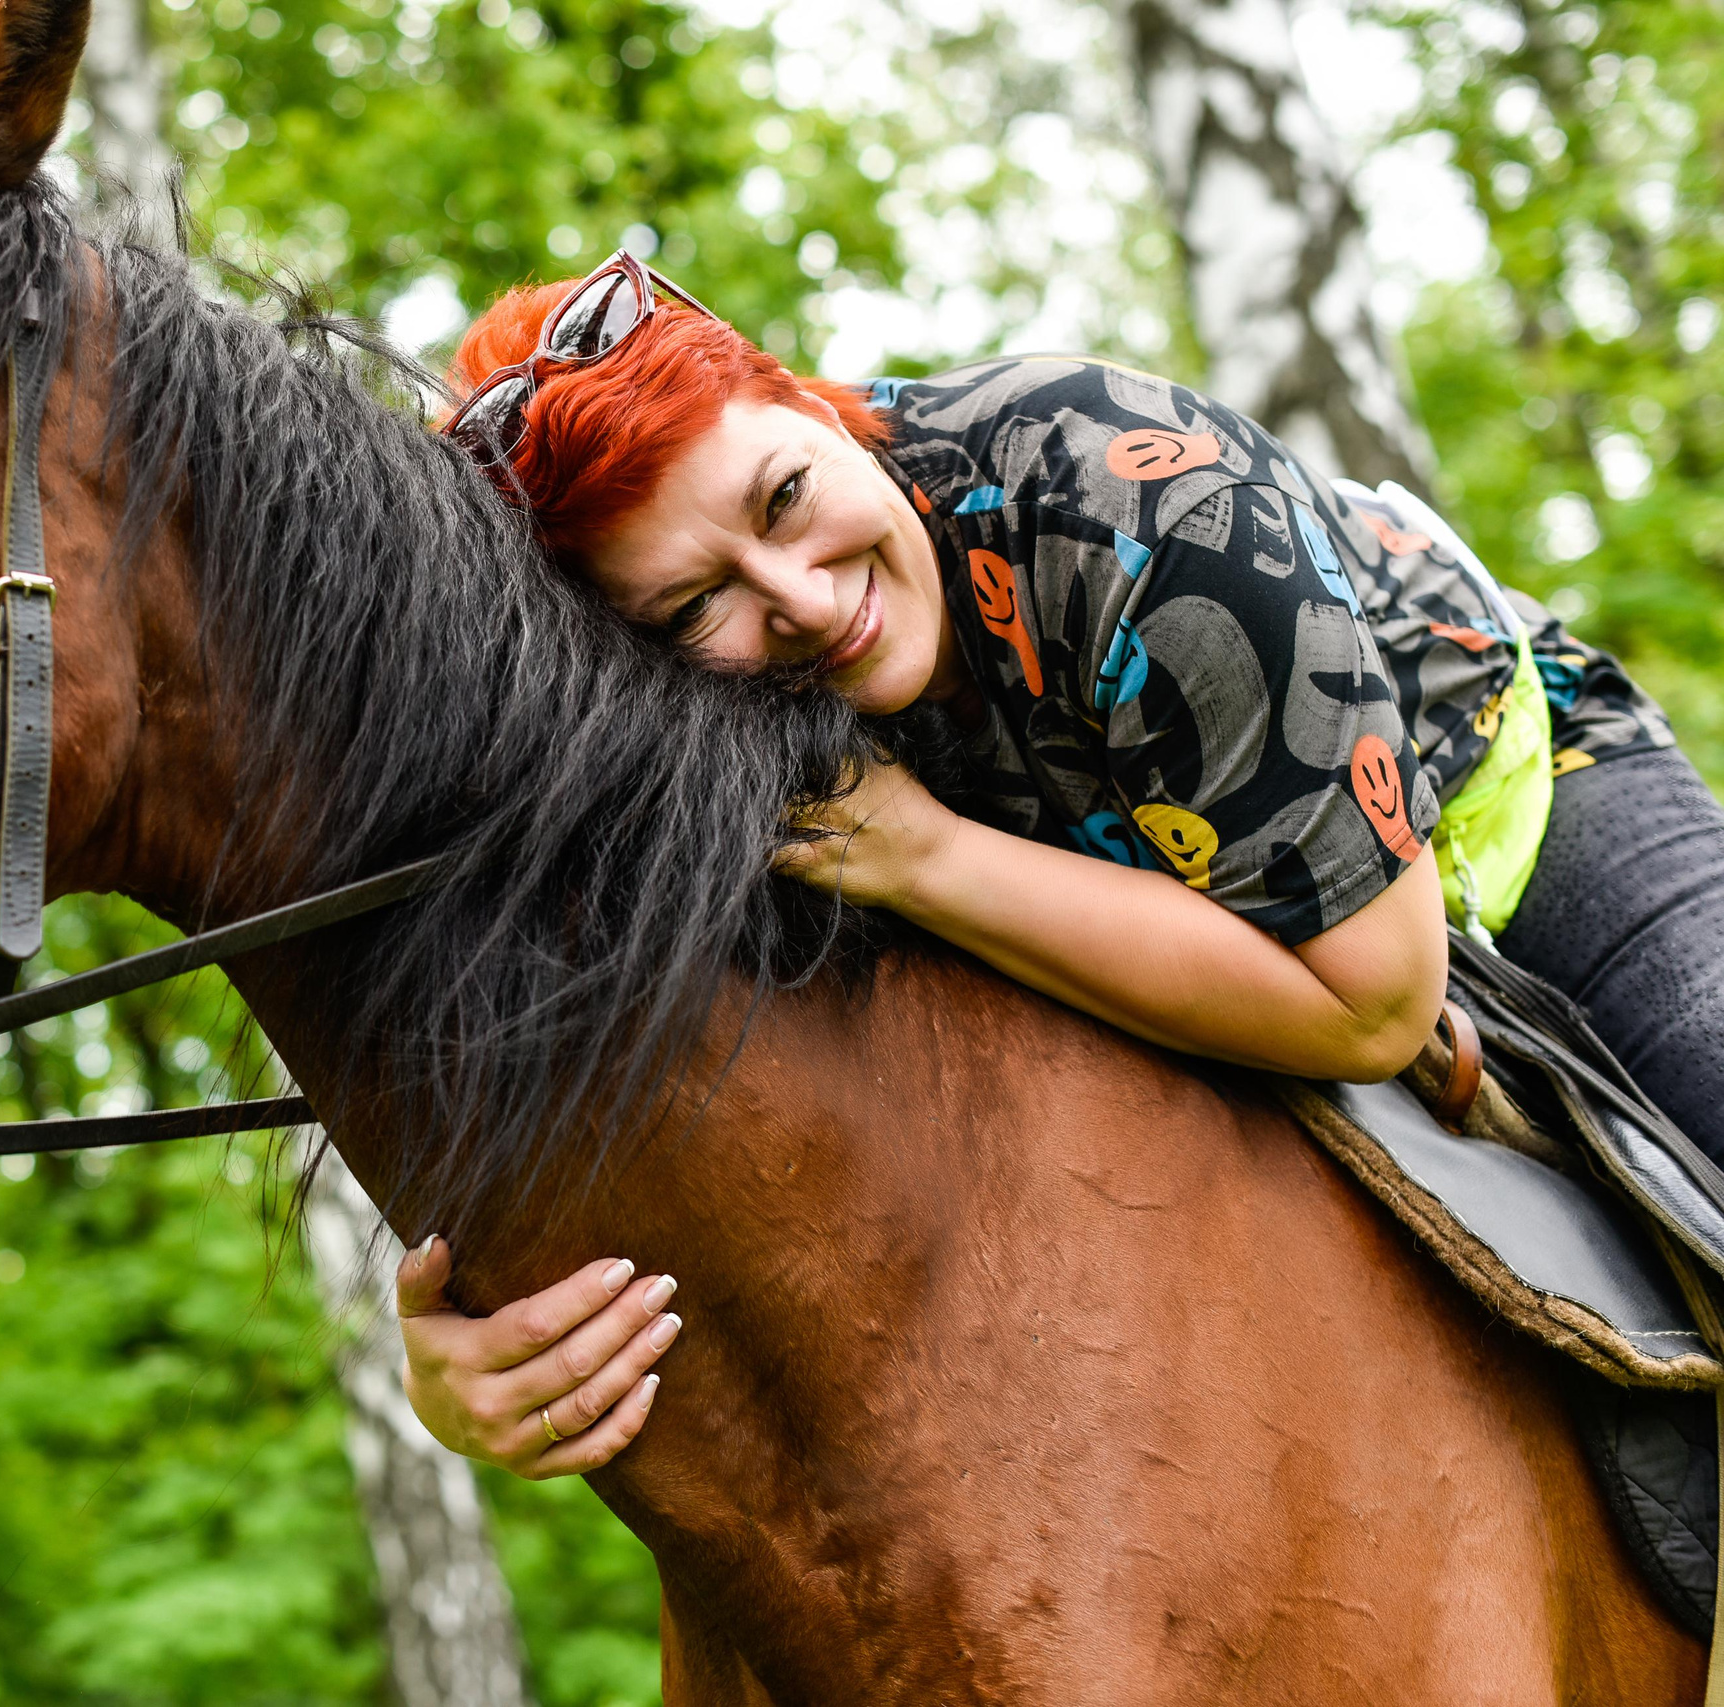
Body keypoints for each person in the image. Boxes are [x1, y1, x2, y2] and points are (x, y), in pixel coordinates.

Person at [394, 249, 1719, 1480]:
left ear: (807, 399)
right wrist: (463, 1345)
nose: (793, 601)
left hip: (1509, 800)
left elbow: (1370, 1002)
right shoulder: (690, 709)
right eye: (696, 604)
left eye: (784, 497)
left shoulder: (1148, 497)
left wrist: (924, 859)